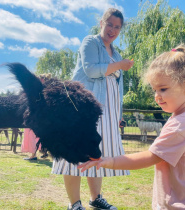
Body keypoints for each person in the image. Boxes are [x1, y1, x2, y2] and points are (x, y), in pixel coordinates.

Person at [79, 45, 185, 209]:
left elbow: (150, 156)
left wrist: (109, 161)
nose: (157, 96)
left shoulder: (181, 125)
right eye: (154, 89)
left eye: (163, 89)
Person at [51, 8, 134, 210]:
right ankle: (75, 203)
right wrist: (121, 65)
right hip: (83, 109)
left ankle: (96, 198)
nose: (113, 30)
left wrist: (118, 115)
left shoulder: (116, 53)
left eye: (117, 27)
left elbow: (117, 89)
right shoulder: (90, 42)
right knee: (75, 153)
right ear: (101, 23)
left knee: (98, 153)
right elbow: (91, 70)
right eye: (110, 24)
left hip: (107, 111)